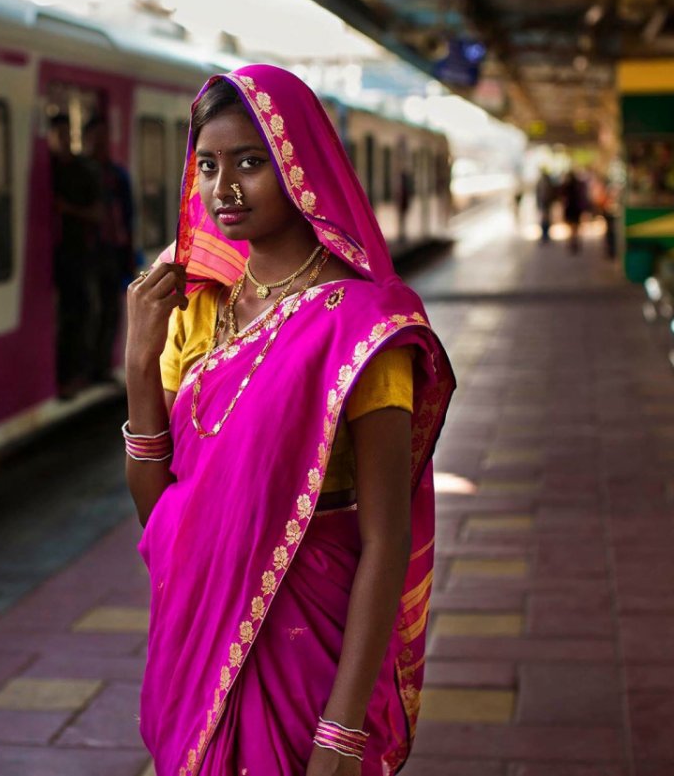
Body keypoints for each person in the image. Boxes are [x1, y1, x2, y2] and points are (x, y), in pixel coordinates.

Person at [124, 65, 454, 775]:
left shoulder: (362, 326)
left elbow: (386, 538)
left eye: (251, 162)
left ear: (299, 166)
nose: (225, 188)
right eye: (208, 166)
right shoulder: (197, 311)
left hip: (311, 647)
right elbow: (162, 520)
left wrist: (340, 733)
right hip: (197, 639)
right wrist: (138, 364)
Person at [48, 113, 101, 399]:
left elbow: (97, 213)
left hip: (78, 254)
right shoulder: (48, 169)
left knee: (77, 314)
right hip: (53, 255)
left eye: (67, 135)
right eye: (57, 135)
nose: (63, 141)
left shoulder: (83, 171)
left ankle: (75, 376)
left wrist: (67, 210)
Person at [82, 114, 135, 382]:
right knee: (90, 309)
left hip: (112, 251)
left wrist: (129, 253)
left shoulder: (117, 175)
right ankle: (88, 368)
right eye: (95, 137)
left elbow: (128, 215)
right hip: (88, 252)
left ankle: (102, 367)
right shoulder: (82, 173)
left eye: (104, 136)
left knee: (111, 310)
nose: (101, 142)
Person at [535, 168, 554, 243]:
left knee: (545, 219)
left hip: (545, 203)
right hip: (544, 203)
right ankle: (545, 234)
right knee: (545, 219)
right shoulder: (544, 182)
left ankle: (545, 234)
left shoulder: (543, 182)